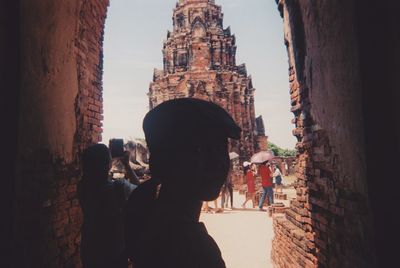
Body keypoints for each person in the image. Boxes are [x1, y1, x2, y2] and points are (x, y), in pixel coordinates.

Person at [125, 98, 241, 268]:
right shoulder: (196, 250)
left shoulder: (143, 205)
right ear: (162, 160)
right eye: (199, 150)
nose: (218, 163)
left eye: (221, 149)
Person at [78, 144, 137, 268]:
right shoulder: (119, 187)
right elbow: (141, 192)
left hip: (90, 248)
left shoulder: (82, 187)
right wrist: (126, 164)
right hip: (114, 250)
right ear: (108, 164)